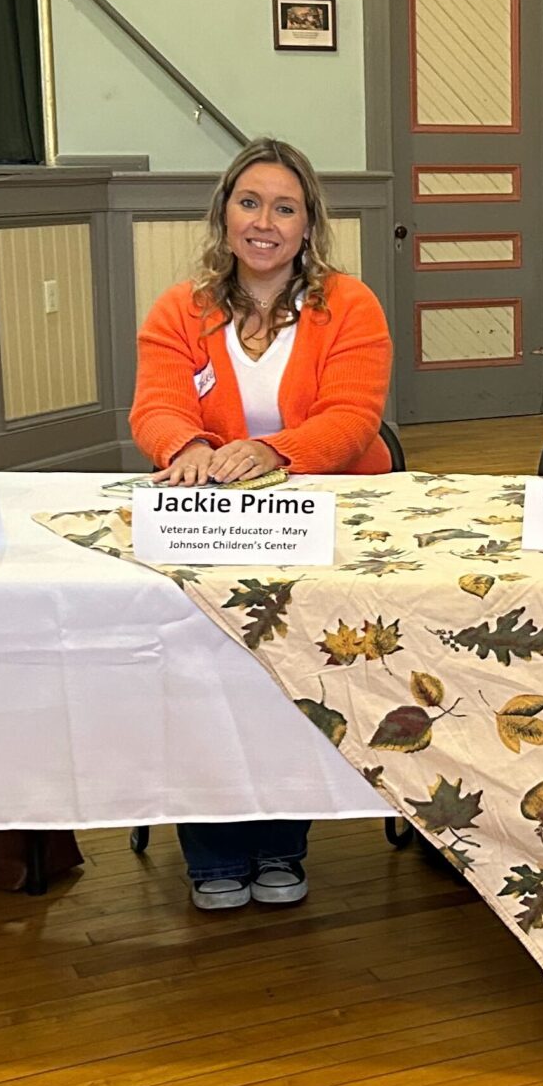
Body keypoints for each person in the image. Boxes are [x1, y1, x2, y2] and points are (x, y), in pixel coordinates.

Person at [129, 135, 391, 911]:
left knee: (295, 667)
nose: (264, 223)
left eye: (284, 208)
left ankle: (282, 841)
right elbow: (156, 405)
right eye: (249, 204)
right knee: (199, 668)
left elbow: (353, 418)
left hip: (326, 515)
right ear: (225, 215)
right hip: (214, 520)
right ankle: (212, 850)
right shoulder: (182, 308)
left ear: (308, 225)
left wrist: (271, 450)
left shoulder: (351, 304)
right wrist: (186, 446)